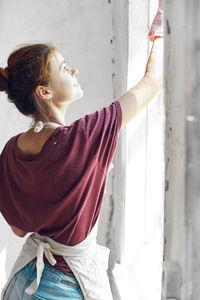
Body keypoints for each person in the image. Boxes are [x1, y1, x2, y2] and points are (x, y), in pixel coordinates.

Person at [0, 37, 163, 299]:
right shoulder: (83, 137)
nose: (74, 71)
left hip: (24, 280)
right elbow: (153, 81)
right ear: (44, 92)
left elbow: (19, 228)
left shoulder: (11, 150)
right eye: (64, 68)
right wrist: (158, 33)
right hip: (65, 286)